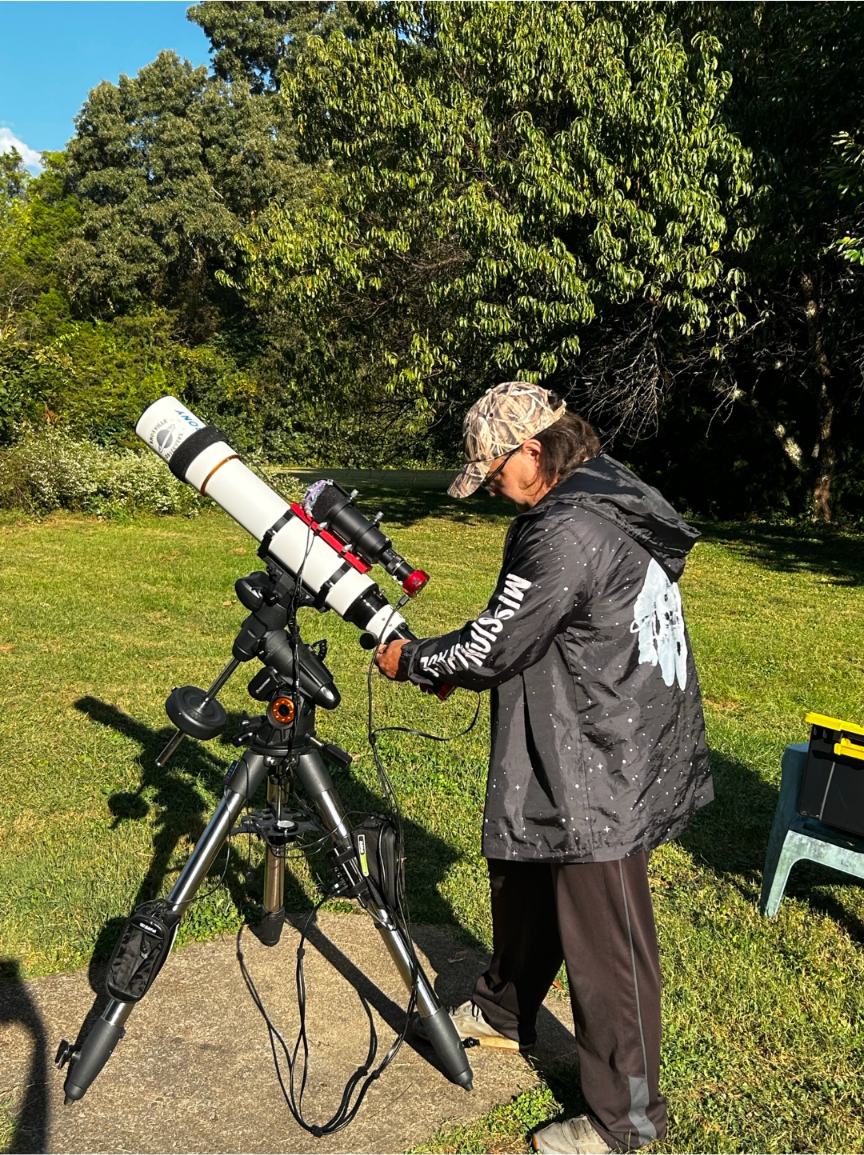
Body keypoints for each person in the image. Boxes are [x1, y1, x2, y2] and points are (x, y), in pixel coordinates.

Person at [375, 381, 712, 1155]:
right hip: (595, 728)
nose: (491, 488)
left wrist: (413, 659)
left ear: (534, 449)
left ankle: (624, 1120)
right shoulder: (606, 485)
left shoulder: (564, 530)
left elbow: (493, 644)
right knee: (524, 873)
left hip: (602, 756)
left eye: (494, 472)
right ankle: (503, 1009)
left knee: (608, 946)